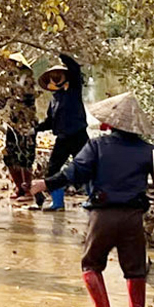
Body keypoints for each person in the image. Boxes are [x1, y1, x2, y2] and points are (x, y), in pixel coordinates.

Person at [30, 92, 154, 307]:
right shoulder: (148, 151)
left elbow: (72, 173)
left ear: (109, 124)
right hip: (133, 218)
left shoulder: (98, 146)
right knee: (136, 271)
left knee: (91, 265)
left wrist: (45, 183)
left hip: (103, 215)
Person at [35, 52, 89, 212]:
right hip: (62, 139)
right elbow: (50, 122)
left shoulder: (74, 90)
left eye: (57, 76)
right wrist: (35, 129)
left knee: (87, 168)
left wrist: (60, 54)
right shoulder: (55, 99)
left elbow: (75, 69)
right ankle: (58, 203)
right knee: (53, 169)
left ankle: (94, 199)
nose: (54, 80)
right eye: (51, 78)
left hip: (78, 135)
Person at [0, 51, 38, 202]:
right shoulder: (8, 81)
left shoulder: (28, 80)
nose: (9, 66)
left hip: (26, 124)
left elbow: (26, 96)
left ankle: (27, 190)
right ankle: (19, 188)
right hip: (13, 124)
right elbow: (2, 101)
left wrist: (10, 91)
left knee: (25, 157)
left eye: (12, 63)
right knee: (10, 156)